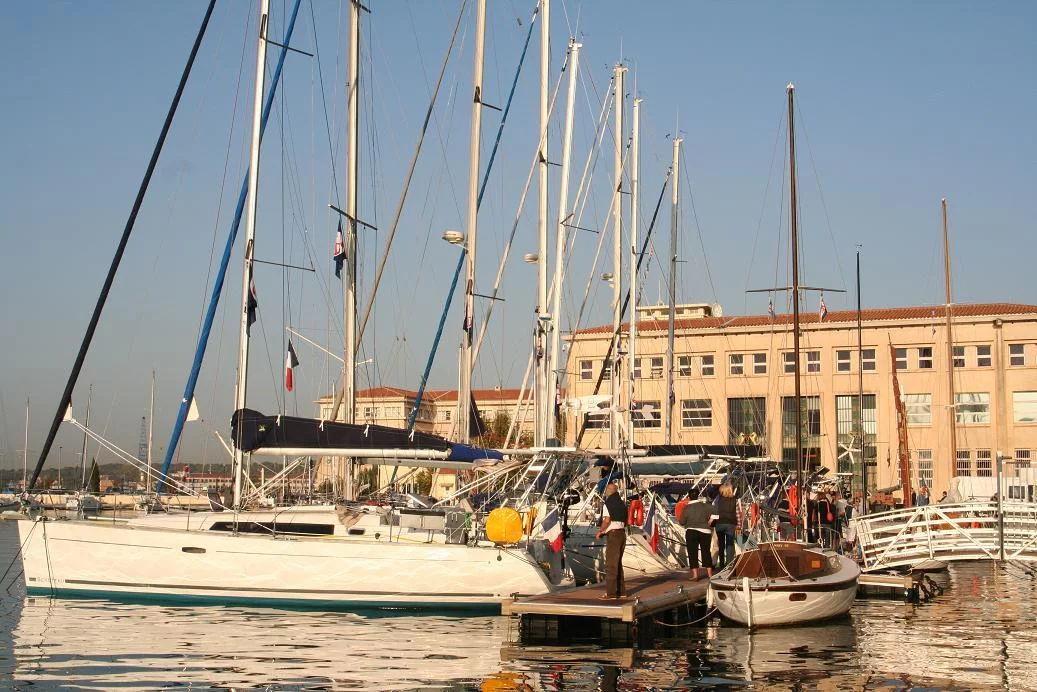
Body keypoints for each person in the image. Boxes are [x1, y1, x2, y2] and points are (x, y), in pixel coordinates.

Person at [595, 482, 627, 599]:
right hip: (622, 534)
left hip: (613, 535)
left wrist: (600, 531)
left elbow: (607, 520)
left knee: (611, 565)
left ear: (609, 490)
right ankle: (621, 592)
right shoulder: (622, 504)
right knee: (618, 564)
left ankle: (611, 593)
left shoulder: (608, 504)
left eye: (607, 490)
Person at [678, 488, 718, 577]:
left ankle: (695, 575)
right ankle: (710, 574)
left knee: (692, 552)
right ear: (698, 496)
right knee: (706, 552)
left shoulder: (686, 508)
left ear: (689, 497)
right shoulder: (706, 506)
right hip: (705, 531)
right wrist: (710, 521)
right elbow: (716, 513)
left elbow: (682, 522)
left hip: (691, 531)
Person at [713, 483, 740, 569]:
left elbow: (714, 510)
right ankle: (729, 563)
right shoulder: (735, 500)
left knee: (721, 544)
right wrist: (739, 525)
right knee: (730, 544)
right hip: (731, 523)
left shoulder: (718, 499)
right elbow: (737, 513)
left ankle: (721, 563)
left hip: (720, 523)